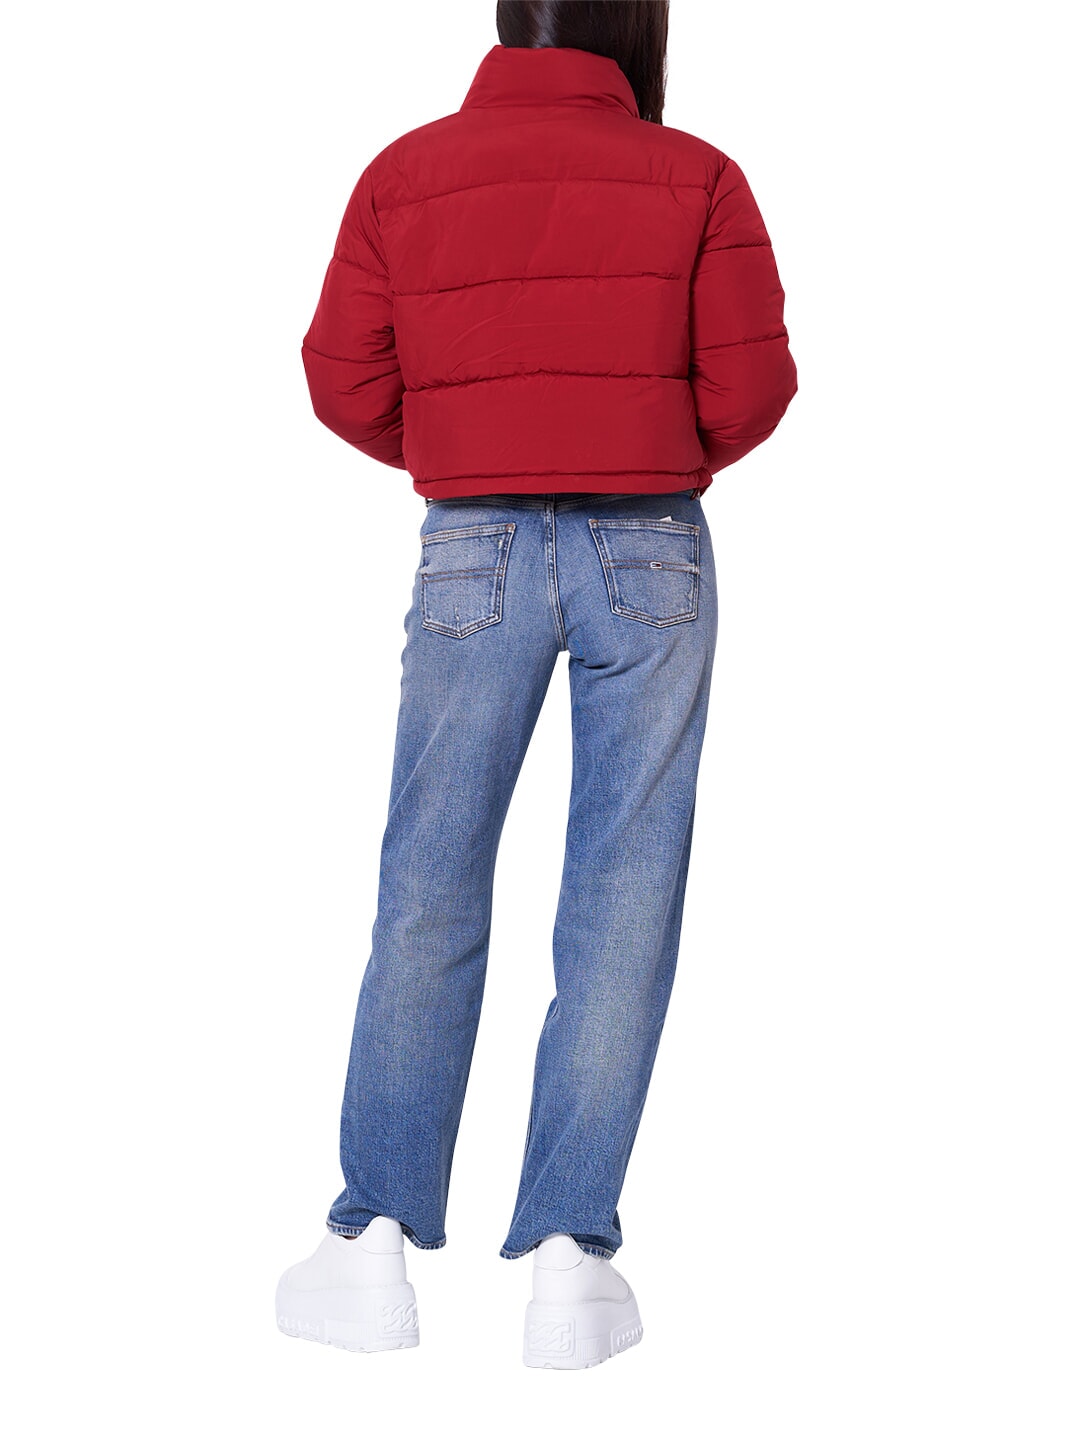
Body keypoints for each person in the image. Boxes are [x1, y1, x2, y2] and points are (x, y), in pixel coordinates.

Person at [275, 0, 797, 1370]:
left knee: (428, 878)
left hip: (476, 543)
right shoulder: (700, 175)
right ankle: (573, 1259)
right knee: (625, 890)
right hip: (653, 542)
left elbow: (343, 380)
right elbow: (752, 387)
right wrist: (644, 450)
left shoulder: (406, 172)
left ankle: (370, 1246)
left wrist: (469, 443)